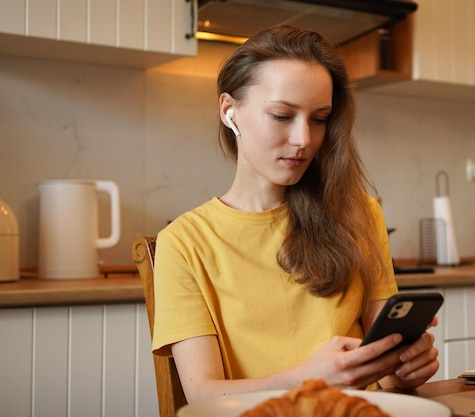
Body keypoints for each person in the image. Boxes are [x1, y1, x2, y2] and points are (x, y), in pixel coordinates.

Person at [151, 25, 439, 403]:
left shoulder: (359, 214)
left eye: (319, 119)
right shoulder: (186, 243)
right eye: (282, 115)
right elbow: (204, 395)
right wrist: (309, 378)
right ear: (229, 111)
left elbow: (384, 374)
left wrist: (403, 368)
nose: (304, 139)